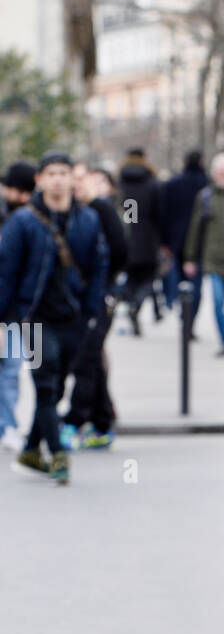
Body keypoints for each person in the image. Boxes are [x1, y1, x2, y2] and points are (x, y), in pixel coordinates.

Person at [0, 150, 108, 483]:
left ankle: (32, 450)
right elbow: (6, 272)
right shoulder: (23, 222)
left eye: (64, 172)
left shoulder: (87, 219)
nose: (58, 179)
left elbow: (100, 264)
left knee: (57, 388)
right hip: (33, 318)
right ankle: (58, 457)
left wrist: (92, 310)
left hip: (73, 318)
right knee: (46, 385)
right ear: (40, 180)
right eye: (51, 173)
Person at [59, 164, 127, 450]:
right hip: (81, 298)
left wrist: (106, 286)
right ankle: (101, 422)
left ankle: (74, 419)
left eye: (79, 179)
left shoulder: (100, 209)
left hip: (102, 296)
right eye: (70, 179)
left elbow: (121, 251)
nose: (74, 185)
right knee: (93, 360)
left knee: (87, 357)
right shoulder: (70, 212)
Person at [183, 152, 224, 356]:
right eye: (221, 172)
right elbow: (195, 229)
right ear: (214, 174)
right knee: (217, 302)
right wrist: (190, 258)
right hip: (213, 260)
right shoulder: (206, 196)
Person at [0, 160, 36, 450]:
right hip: (7, 310)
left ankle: (8, 424)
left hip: (18, 310)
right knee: (10, 369)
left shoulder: (29, 218)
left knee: (12, 369)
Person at [117, 148, 163, 333]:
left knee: (130, 279)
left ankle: (129, 303)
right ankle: (136, 304)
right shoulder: (152, 182)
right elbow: (159, 213)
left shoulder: (120, 181)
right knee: (149, 278)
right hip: (147, 239)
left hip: (125, 237)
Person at [159, 149, 208, 323]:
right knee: (196, 284)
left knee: (180, 279)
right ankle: (189, 318)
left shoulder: (172, 184)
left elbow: (163, 214)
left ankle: (183, 311)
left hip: (176, 240)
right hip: (201, 242)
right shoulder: (207, 184)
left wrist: (164, 241)